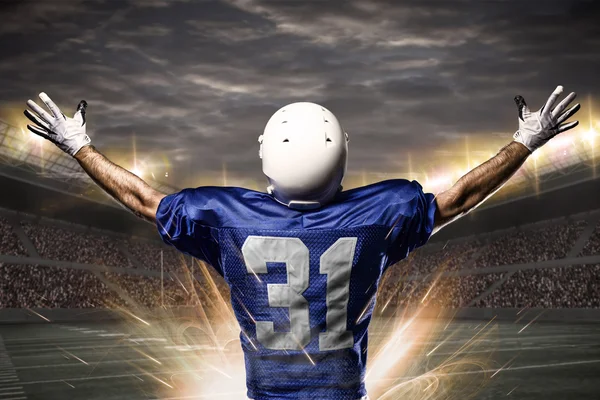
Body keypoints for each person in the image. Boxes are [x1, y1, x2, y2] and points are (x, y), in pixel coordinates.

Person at [23, 86, 580, 400]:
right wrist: (526, 141)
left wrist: (79, 146)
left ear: (268, 152)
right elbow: (458, 198)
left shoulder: (225, 216)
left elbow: (145, 201)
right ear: (342, 156)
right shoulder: (378, 213)